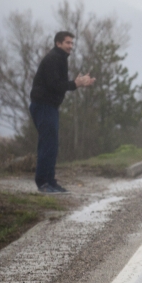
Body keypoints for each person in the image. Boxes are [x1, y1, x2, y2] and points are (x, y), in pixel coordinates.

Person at [29, 31, 96, 193]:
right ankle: (43, 183)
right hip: (43, 106)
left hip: (50, 107)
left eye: (72, 43)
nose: (71, 46)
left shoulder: (60, 59)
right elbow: (54, 85)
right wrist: (75, 84)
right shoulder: (53, 59)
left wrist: (77, 83)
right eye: (67, 43)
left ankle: (51, 182)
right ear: (58, 43)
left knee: (52, 146)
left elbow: (59, 84)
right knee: (47, 145)